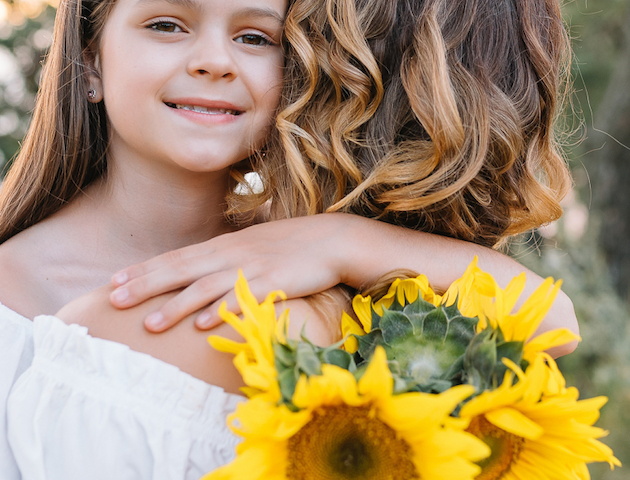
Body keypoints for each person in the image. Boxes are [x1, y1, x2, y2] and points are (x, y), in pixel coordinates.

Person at [0, 0, 577, 477]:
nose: (213, 62)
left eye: (257, 37)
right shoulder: (23, 299)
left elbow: (553, 318)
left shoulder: (307, 264)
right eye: (166, 25)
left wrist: (341, 240)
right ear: (90, 63)